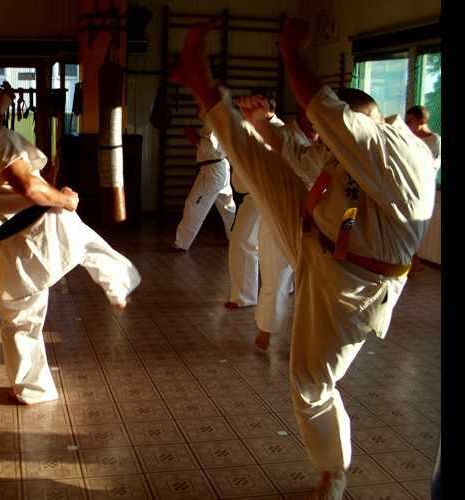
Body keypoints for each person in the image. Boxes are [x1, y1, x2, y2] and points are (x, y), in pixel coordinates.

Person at [171, 17, 435, 499]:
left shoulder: (394, 152)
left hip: (353, 287)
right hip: (321, 243)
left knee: (311, 383)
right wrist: (266, 125)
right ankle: (202, 84)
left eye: (327, 134)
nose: (321, 141)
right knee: (260, 165)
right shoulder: (349, 153)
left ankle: (334, 472)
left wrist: (291, 51)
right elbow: (302, 156)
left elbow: (325, 111)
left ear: (358, 123)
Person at [0, 84, 141, 405]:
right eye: (0, 110)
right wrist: (65, 198)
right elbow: (29, 186)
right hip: (42, 224)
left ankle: (30, 390)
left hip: (4, 245)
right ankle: (119, 285)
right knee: (87, 244)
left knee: (19, 320)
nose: (1, 116)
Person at [254, 102, 321, 351]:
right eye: (308, 109)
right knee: (275, 275)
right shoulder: (282, 135)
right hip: (281, 213)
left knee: (319, 282)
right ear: (300, 109)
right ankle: (267, 329)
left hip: (320, 217)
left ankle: (315, 336)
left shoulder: (332, 140)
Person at [225, 88, 283, 310]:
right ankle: (259, 293)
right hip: (253, 194)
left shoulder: (277, 130)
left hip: (265, 193)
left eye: (254, 104)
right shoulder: (252, 127)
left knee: (243, 241)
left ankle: (245, 296)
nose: (247, 108)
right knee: (264, 245)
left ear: (266, 106)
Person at [168, 104, 236, 251]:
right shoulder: (212, 124)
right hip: (218, 169)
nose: (197, 110)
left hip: (213, 172)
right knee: (227, 207)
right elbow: (204, 149)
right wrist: (192, 137)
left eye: (200, 108)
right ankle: (235, 238)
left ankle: (181, 243)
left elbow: (209, 148)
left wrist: (192, 135)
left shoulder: (213, 126)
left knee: (194, 205)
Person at [404, 105, 441, 273]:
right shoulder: (410, 139)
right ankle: (414, 261)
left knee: (409, 226)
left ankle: (414, 262)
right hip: (408, 187)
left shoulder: (434, 141)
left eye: (410, 120)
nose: (407, 124)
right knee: (404, 225)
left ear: (422, 122)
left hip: (422, 190)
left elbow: (429, 165)